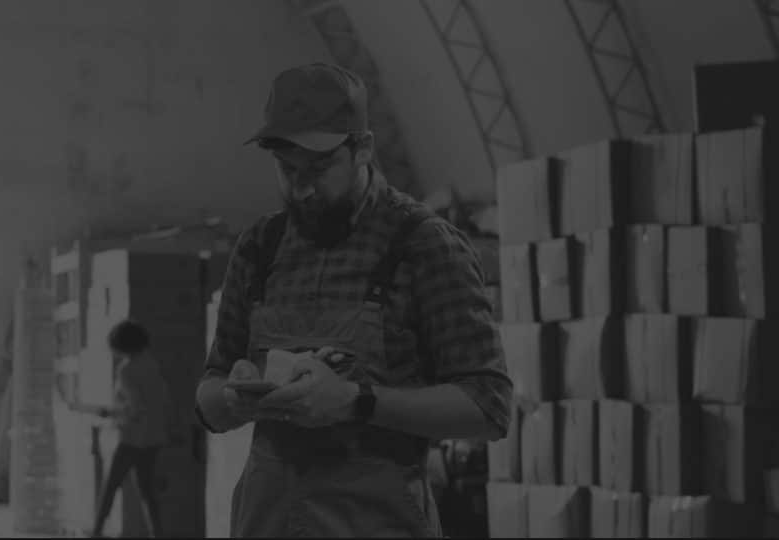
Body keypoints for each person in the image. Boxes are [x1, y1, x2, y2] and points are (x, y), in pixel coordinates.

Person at [194, 62, 513, 537]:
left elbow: (489, 407)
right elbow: (209, 395)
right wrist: (233, 396)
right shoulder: (260, 248)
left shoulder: (423, 246)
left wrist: (357, 402)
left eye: (320, 168)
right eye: (287, 169)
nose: (301, 188)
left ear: (362, 148)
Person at [71, 319, 181, 538]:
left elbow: (134, 409)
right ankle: (157, 534)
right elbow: (164, 401)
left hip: (132, 438)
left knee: (111, 486)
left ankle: (97, 532)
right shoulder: (152, 364)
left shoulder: (126, 370)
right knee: (147, 491)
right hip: (154, 437)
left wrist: (109, 413)